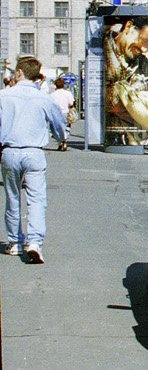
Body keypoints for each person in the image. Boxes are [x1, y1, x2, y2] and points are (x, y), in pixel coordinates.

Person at [1, 57, 67, 264]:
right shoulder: (45, 98)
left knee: (12, 196)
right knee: (37, 199)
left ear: (19, 73)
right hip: (35, 152)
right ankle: (34, 242)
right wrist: (60, 138)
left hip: (10, 152)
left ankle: (14, 242)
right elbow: (60, 126)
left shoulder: (3, 96)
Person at [104, 16, 148, 147]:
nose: (144, 49)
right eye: (144, 41)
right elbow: (112, 101)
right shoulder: (104, 50)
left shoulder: (139, 61)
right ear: (128, 27)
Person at [48, 78, 75, 151]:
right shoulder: (68, 93)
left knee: (56, 129)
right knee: (66, 128)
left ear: (55, 85)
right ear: (63, 85)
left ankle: (60, 142)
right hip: (65, 112)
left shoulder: (52, 95)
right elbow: (71, 103)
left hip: (55, 114)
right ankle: (65, 141)